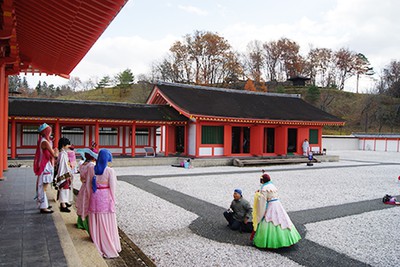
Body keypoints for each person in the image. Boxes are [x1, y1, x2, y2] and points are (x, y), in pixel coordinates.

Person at [86, 149, 121, 258]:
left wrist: (89, 196)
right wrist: (113, 199)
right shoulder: (110, 171)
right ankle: (110, 244)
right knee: (107, 221)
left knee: (95, 219)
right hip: (105, 196)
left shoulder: (91, 169)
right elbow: (113, 187)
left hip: (95, 196)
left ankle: (97, 241)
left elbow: (88, 185)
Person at [252, 173, 301, 249]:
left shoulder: (264, 188)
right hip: (277, 204)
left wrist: (258, 196)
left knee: (270, 220)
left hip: (270, 205)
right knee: (281, 220)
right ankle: (287, 239)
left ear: (262, 181)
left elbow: (262, 202)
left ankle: (268, 242)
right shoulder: (273, 186)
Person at [33, 123, 58, 214]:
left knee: (43, 186)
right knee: (44, 186)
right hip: (45, 165)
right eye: (50, 131)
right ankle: (43, 206)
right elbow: (54, 155)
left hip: (44, 164)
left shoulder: (42, 140)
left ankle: (44, 204)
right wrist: (56, 150)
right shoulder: (45, 142)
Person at [75, 148, 98, 233]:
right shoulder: (91, 166)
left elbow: (81, 178)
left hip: (83, 186)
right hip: (89, 186)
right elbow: (92, 178)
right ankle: (87, 224)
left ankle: (80, 222)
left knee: (82, 203)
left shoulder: (82, 164)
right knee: (87, 204)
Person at [56, 137, 73, 212]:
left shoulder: (62, 153)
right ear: (63, 145)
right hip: (64, 173)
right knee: (64, 188)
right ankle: (63, 205)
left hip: (65, 172)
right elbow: (63, 166)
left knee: (66, 188)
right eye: (67, 145)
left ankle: (65, 202)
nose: (68, 146)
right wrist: (64, 175)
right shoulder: (62, 154)